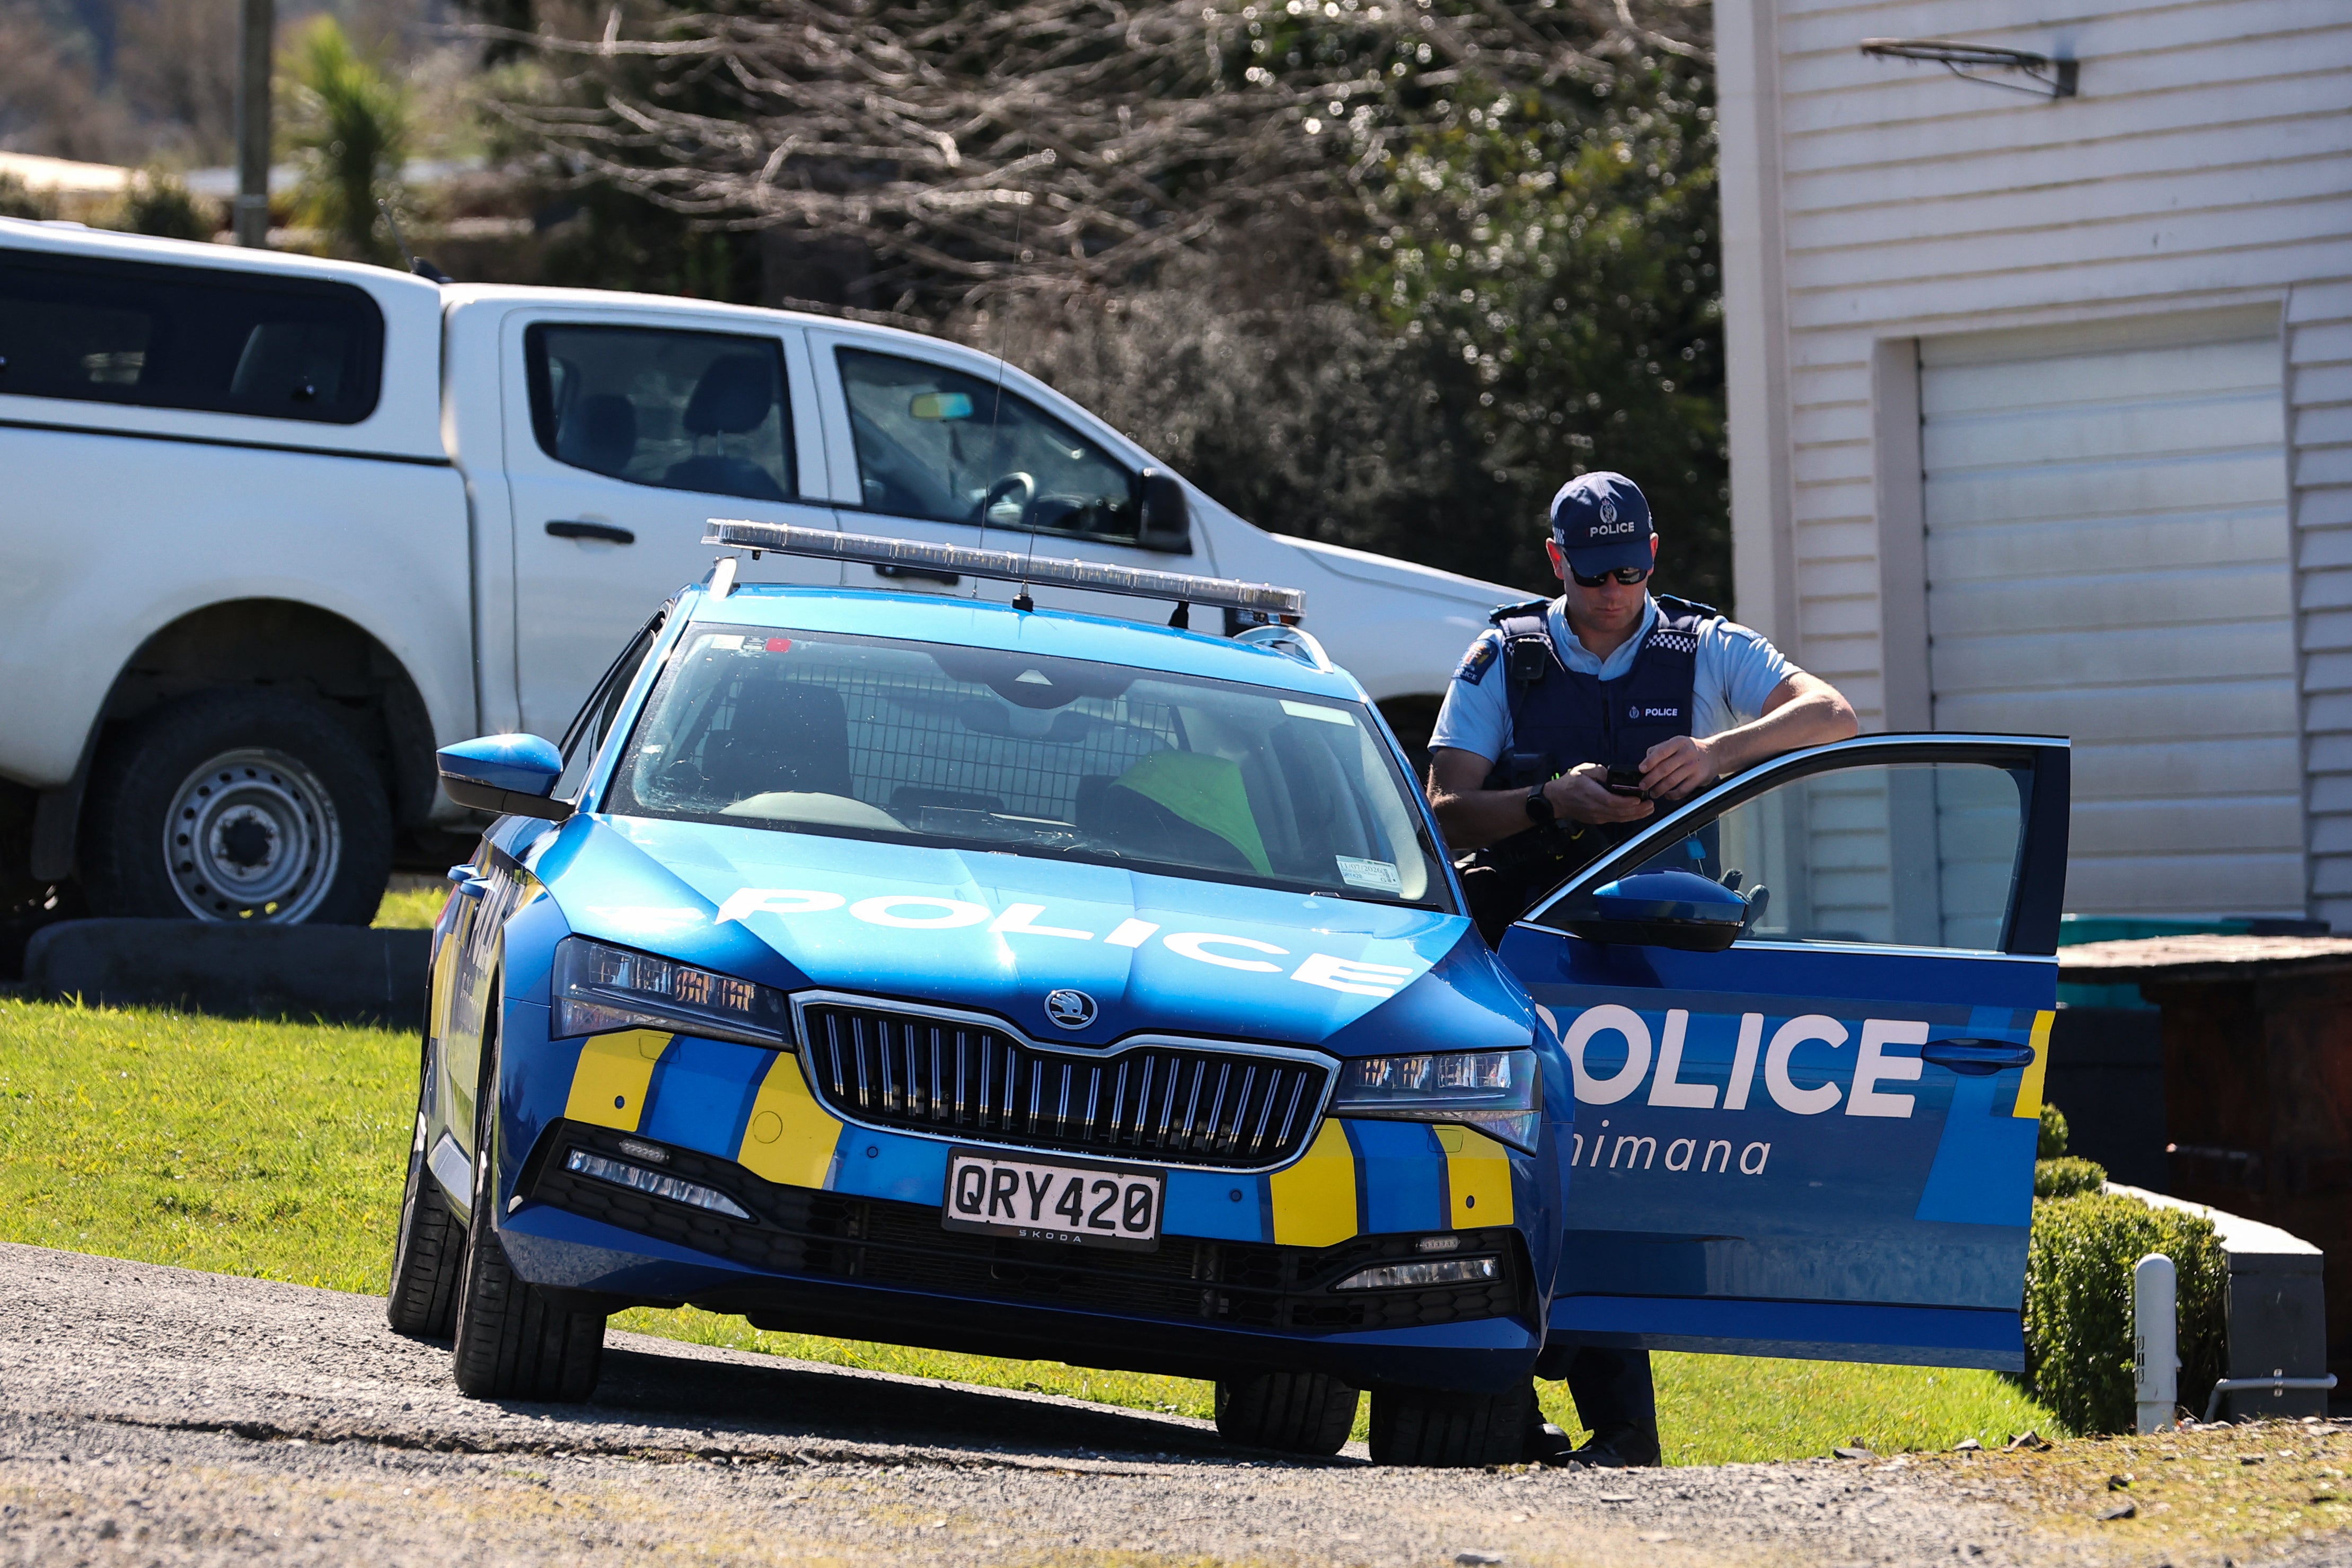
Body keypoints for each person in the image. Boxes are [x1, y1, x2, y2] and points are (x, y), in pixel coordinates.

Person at [1423, 470, 1857, 1467]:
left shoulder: (1704, 645)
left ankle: (1621, 1431)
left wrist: (1718, 752)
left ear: (1653, 555)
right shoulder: (1505, 655)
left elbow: (1830, 713)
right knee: (1500, 1166)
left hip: (1652, 961)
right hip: (1524, 946)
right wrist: (1549, 802)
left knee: (1611, 1175)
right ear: (1555, 563)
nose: (1613, 589)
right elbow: (1444, 806)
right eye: (1593, 570)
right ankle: (1499, 1407)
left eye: (1629, 566)